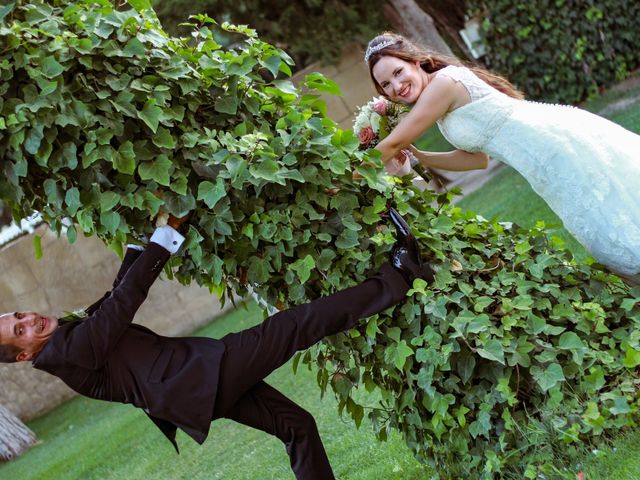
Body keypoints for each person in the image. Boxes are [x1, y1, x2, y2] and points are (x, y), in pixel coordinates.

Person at [0, 208, 432, 480]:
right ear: (24, 355)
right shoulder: (64, 354)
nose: (27, 319)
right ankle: (400, 276)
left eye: (18, 314)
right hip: (197, 379)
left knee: (296, 426)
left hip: (194, 390)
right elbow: (122, 304)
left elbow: (113, 294)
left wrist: (143, 238)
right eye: (19, 330)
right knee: (297, 324)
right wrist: (161, 241)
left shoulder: (63, 339)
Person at [364, 32, 640, 282]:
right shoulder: (437, 99)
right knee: (605, 225)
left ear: (416, 62)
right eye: (386, 84)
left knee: (611, 221)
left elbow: (396, 141)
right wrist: (420, 155)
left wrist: (354, 172)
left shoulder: (443, 85)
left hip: (554, 146)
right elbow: (476, 160)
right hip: (539, 163)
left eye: (399, 72)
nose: (396, 86)